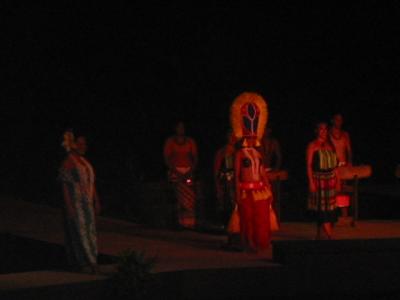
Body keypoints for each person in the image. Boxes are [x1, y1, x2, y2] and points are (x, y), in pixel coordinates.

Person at [230, 91, 273, 253]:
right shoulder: (240, 154)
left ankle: (261, 242)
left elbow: (262, 172)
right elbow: (237, 174)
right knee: (247, 219)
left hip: (260, 190)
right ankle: (248, 243)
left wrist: (269, 189)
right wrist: (236, 192)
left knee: (261, 218)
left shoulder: (258, 154)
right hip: (245, 191)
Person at [58, 130, 101, 274]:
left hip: (87, 202)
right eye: (80, 143)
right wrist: (69, 205)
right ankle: (86, 262)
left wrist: (96, 199)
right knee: (80, 232)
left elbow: (91, 182)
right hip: (76, 202)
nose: (83, 146)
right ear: (73, 144)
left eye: (84, 144)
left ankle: (92, 259)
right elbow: (65, 184)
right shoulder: (69, 162)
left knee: (90, 231)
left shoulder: (85, 162)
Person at [306, 122, 339, 240]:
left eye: (325, 129)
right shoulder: (312, 145)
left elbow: (335, 166)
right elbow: (309, 165)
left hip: (330, 180)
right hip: (319, 180)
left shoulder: (330, 145)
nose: (323, 131)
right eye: (321, 129)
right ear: (316, 131)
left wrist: (337, 180)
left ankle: (320, 236)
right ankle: (330, 236)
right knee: (322, 209)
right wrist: (311, 182)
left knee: (330, 209)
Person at [163, 121, 198, 230]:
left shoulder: (190, 142)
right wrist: (175, 171)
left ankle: (189, 223)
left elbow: (195, 158)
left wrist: (190, 171)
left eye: (182, 127)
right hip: (175, 171)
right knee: (177, 198)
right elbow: (167, 158)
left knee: (189, 198)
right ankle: (178, 222)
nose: (181, 129)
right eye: (179, 127)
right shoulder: (170, 142)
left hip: (188, 171)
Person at [213, 129, 240, 248]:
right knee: (227, 207)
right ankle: (229, 235)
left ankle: (236, 235)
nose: (232, 138)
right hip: (226, 183)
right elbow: (216, 170)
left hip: (236, 184)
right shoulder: (222, 152)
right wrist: (218, 186)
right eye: (230, 136)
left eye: (234, 136)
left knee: (235, 208)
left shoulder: (239, 152)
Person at [329, 113, 352, 221]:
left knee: (343, 191)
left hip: (343, 165)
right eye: (337, 119)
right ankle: (332, 215)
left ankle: (344, 215)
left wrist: (350, 163)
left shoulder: (345, 134)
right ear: (332, 120)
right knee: (332, 190)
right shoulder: (328, 134)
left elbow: (349, 151)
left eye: (341, 120)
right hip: (332, 166)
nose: (339, 122)